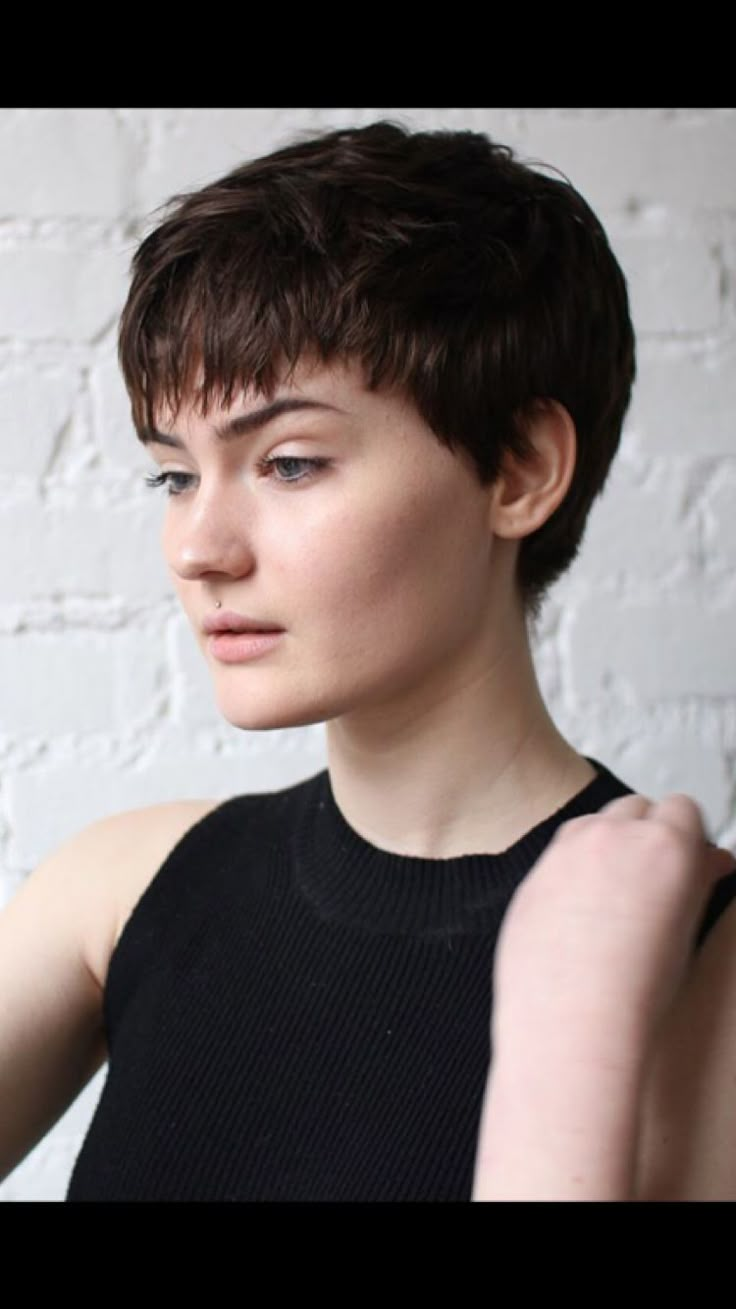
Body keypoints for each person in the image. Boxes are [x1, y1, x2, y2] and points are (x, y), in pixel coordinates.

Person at [1, 120, 734, 1202]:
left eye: (289, 463)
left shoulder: (702, 966)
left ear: (520, 469)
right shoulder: (120, 892)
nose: (200, 548)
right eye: (174, 476)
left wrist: (569, 1042)